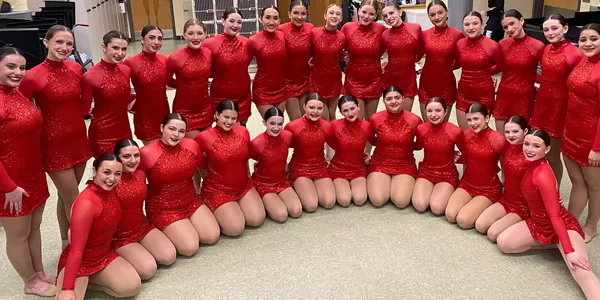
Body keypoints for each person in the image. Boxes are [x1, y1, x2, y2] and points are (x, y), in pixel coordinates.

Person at [497, 129, 600, 299]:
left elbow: (555, 216)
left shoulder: (543, 174)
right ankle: (554, 245)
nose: (529, 149)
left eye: (536, 146)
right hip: (538, 224)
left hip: (561, 225)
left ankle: (566, 244)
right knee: (505, 243)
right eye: (527, 144)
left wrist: (569, 250)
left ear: (547, 150)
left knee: (582, 272)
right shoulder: (530, 162)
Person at [18, 25, 91, 249]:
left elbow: (82, 103)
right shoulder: (31, 76)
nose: (64, 47)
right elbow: (20, 109)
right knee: (73, 197)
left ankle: (65, 239)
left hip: (78, 136)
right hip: (53, 142)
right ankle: (84, 245)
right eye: (59, 42)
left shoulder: (75, 68)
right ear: (46, 42)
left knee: (65, 195)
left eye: (69, 44)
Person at [0, 46, 55, 297]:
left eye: (22, 67)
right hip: (10, 181)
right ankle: (30, 282)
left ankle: (40, 273)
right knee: (18, 236)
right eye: (10, 66)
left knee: (34, 227)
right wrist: (8, 187)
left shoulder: (16, 93)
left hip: (32, 172)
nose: (18, 73)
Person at [55, 154, 141, 300]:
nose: (112, 178)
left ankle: (90, 282)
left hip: (103, 254)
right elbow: (76, 250)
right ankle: (68, 280)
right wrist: (67, 289)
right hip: (81, 260)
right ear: (94, 171)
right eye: (106, 172)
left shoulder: (112, 190)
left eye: (117, 174)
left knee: (132, 286)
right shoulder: (86, 203)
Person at [139, 113, 220, 256]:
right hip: (164, 209)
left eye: (181, 131)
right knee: (190, 247)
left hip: (190, 200)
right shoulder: (146, 153)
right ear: (162, 128)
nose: (176, 134)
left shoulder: (192, 145)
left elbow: (204, 170)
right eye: (172, 129)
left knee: (211, 236)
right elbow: (137, 188)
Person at [196, 101, 266, 236]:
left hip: (243, 185)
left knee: (256, 219)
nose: (229, 121)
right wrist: (201, 183)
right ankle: (212, 208)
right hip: (218, 190)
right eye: (226, 117)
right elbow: (199, 164)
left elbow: (245, 157)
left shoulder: (243, 132)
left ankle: (234, 209)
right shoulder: (204, 137)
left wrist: (249, 176)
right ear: (216, 115)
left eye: (233, 118)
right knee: (235, 229)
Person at [529, 14, 583, 189]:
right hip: (542, 103)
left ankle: (554, 190)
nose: (550, 33)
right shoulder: (546, 49)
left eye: (554, 28)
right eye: (546, 29)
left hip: (559, 108)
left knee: (552, 155)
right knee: (538, 149)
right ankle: (538, 185)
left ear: (565, 29)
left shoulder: (574, 53)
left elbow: (582, 82)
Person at [112, 139, 176, 280]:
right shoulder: (110, 180)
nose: (133, 161)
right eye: (126, 156)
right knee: (148, 270)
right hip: (120, 236)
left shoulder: (140, 173)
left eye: (136, 155)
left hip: (142, 226)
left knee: (168, 256)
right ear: (117, 157)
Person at [562, 23, 600, 243]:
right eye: (584, 39)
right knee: (577, 181)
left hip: (591, 138)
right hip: (571, 131)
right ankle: (571, 220)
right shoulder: (582, 61)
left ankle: (591, 225)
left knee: (594, 185)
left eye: (594, 38)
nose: (588, 43)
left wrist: (596, 148)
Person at [446, 103, 507, 229]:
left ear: (487, 118)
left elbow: (507, 164)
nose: (473, 123)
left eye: (476, 119)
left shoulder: (499, 140)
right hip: (467, 183)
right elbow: (465, 156)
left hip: (488, 188)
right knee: (450, 215)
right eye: (469, 120)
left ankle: (488, 206)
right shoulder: (466, 135)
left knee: (463, 221)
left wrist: (505, 183)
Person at [475, 116, 530, 241]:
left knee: (493, 234)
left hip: (523, 205)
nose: (511, 135)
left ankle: (525, 223)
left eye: (515, 131)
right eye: (507, 132)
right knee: (480, 225)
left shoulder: (531, 153)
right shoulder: (507, 146)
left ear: (525, 131)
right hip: (506, 199)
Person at [81, 30, 134, 158]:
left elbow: (122, 96)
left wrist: (135, 99)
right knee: (107, 174)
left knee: (126, 171)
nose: (120, 53)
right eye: (115, 48)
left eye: (123, 49)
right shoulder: (90, 76)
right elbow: (83, 110)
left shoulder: (126, 70)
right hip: (102, 135)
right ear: (104, 47)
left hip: (124, 130)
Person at [367, 86, 422, 208]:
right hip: (380, 162)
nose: (393, 102)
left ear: (403, 99)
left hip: (404, 164)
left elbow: (419, 145)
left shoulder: (415, 120)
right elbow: (373, 141)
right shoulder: (375, 119)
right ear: (384, 101)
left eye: (397, 98)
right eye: (389, 99)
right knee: (378, 200)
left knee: (401, 202)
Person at [492, 10, 544, 134]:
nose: (509, 29)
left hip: (524, 98)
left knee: (520, 139)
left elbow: (545, 72)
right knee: (502, 138)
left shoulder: (537, 45)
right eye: (505, 27)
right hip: (504, 95)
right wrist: (481, 73)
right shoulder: (502, 44)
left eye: (512, 23)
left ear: (521, 21)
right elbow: (499, 67)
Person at [284, 93, 336, 212]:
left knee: (329, 202)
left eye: (319, 108)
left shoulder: (327, 126)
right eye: (311, 107)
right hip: (300, 168)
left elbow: (335, 146)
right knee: (311, 205)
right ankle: (295, 183)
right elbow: (282, 148)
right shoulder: (292, 126)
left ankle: (308, 188)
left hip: (320, 167)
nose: (315, 112)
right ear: (304, 107)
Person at [412, 97, 464, 214]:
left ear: (445, 112)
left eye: (438, 110)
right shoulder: (421, 129)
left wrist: (458, 157)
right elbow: (418, 146)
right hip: (426, 171)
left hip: (447, 174)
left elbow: (467, 152)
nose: (433, 115)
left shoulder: (455, 131)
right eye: (430, 111)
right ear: (425, 112)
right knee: (420, 205)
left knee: (437, 208)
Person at [250, 107, 302, 222]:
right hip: (264, 184)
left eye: (280, 124)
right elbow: (247, 158)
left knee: (296, 211)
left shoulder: (287, 136)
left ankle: (273, 202)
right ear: (264, 123)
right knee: (281, 215)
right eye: (272, 124)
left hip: (281, 180)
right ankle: (264, 202)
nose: (276, 128)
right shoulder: (257, 143)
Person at [203, 7, 252, 124]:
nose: (236, 25)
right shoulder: (209, 43)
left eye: (239, 22)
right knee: (225, 133)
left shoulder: (246, 42)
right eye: (231, 21)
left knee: (241, 132)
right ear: (223, 21)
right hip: (221, 96)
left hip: (244, 95)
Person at [455, 11, 503, 130]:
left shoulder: (492, 45)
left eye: (475, 23)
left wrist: (486, 73)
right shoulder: (460, 44)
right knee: (465, 133)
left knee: (480, 132)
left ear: (482, 25)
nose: (471, 28)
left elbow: (500, 66)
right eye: (467, 24)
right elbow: (457, 64)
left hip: (484, 94)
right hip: (463, 92)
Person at [123, 24, 170, 145]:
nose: (156, 42)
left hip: (164, 112)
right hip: (145, 116)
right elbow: (119, 86)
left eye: (160, 38)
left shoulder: (164, 60)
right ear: (142, 40)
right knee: (153, 155)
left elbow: (170, 82)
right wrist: (132, 100)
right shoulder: (130, 62)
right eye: (152, 38)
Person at [418, 0, 464, 121]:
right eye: (432, 15)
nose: (437, 17)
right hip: (426, 84)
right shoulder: (424, 34)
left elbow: (460, 61)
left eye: (440, 12)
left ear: (447, 12)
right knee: (427, 125)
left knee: (442, 127)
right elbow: (416, 56)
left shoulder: (457, 35)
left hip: (446, 85)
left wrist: (445, 66)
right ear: (428, 17)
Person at [341, 0, 386, 121]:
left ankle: (370, 141)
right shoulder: (347, 27)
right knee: (357, 119)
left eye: (371, 14)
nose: (366, 16)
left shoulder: (381, 29)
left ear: (376, 15)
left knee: (371, 119)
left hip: (374, 78)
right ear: (359, 10)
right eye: (364, 12)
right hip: (354, 79)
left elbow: (386, 48)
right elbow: (337, 47)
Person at [167, 19, 213, 138]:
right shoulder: (175, 57)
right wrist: (184, 85)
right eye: (190, 33)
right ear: (184, 35)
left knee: (207, 148)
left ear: (205, 34)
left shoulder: (208, 53)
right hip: (185, 110)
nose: (195, 37)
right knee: (194, 147)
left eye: (199, 33)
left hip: (205, 107)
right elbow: (166, 80)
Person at [329, 95, 374, 207]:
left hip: (358, 167)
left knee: (360, 199)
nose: (350, 113)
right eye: (345, 110)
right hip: (339, 168)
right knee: (344, 201)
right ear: (341, 112)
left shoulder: (367, 125)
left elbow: (375, 142)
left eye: (352, 109)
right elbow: (331, 143)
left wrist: (368, 155)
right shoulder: (334, 125)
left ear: (358, 107)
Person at [380, 2, 423, 113]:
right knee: (392, 115)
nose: (389, 17)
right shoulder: (385, 34)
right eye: (385, 16)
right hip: (390, 77)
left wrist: (413, 61)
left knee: (406, 115)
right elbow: (377, 54)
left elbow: (421, 50)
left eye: (391, 13)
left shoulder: (415, 28)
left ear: (400, 12)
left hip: (408, 78)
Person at [309, 3, 345, 122]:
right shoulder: (314, 32)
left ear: (341, 18)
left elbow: (341, 56)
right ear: (325, 16)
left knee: (331, 113)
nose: (334, 16)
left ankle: (331, 140)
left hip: (334, 78)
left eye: (338, 14)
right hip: (317, 78)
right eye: (331, 13)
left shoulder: (342, 37)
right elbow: (306, 50)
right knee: (323, 114)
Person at [249, 5, 287, 117]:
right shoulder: (253, 40)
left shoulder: (282, 36)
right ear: (261, 19)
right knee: (271, 121)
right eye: (268, 17)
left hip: (281, 88)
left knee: (278, 123)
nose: (271, 22)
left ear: (279, 20)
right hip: (262, 90)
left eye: (275, 18)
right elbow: (242, 63)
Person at [279, 1, 313, 120]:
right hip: (287, 82)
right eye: (296, 13)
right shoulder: (281, 30)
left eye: (303, 14)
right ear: (289, 14)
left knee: (307, 118)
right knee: (296, 120)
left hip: (305, 79)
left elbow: (317, 47)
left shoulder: (310, 28)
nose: (299, 17)